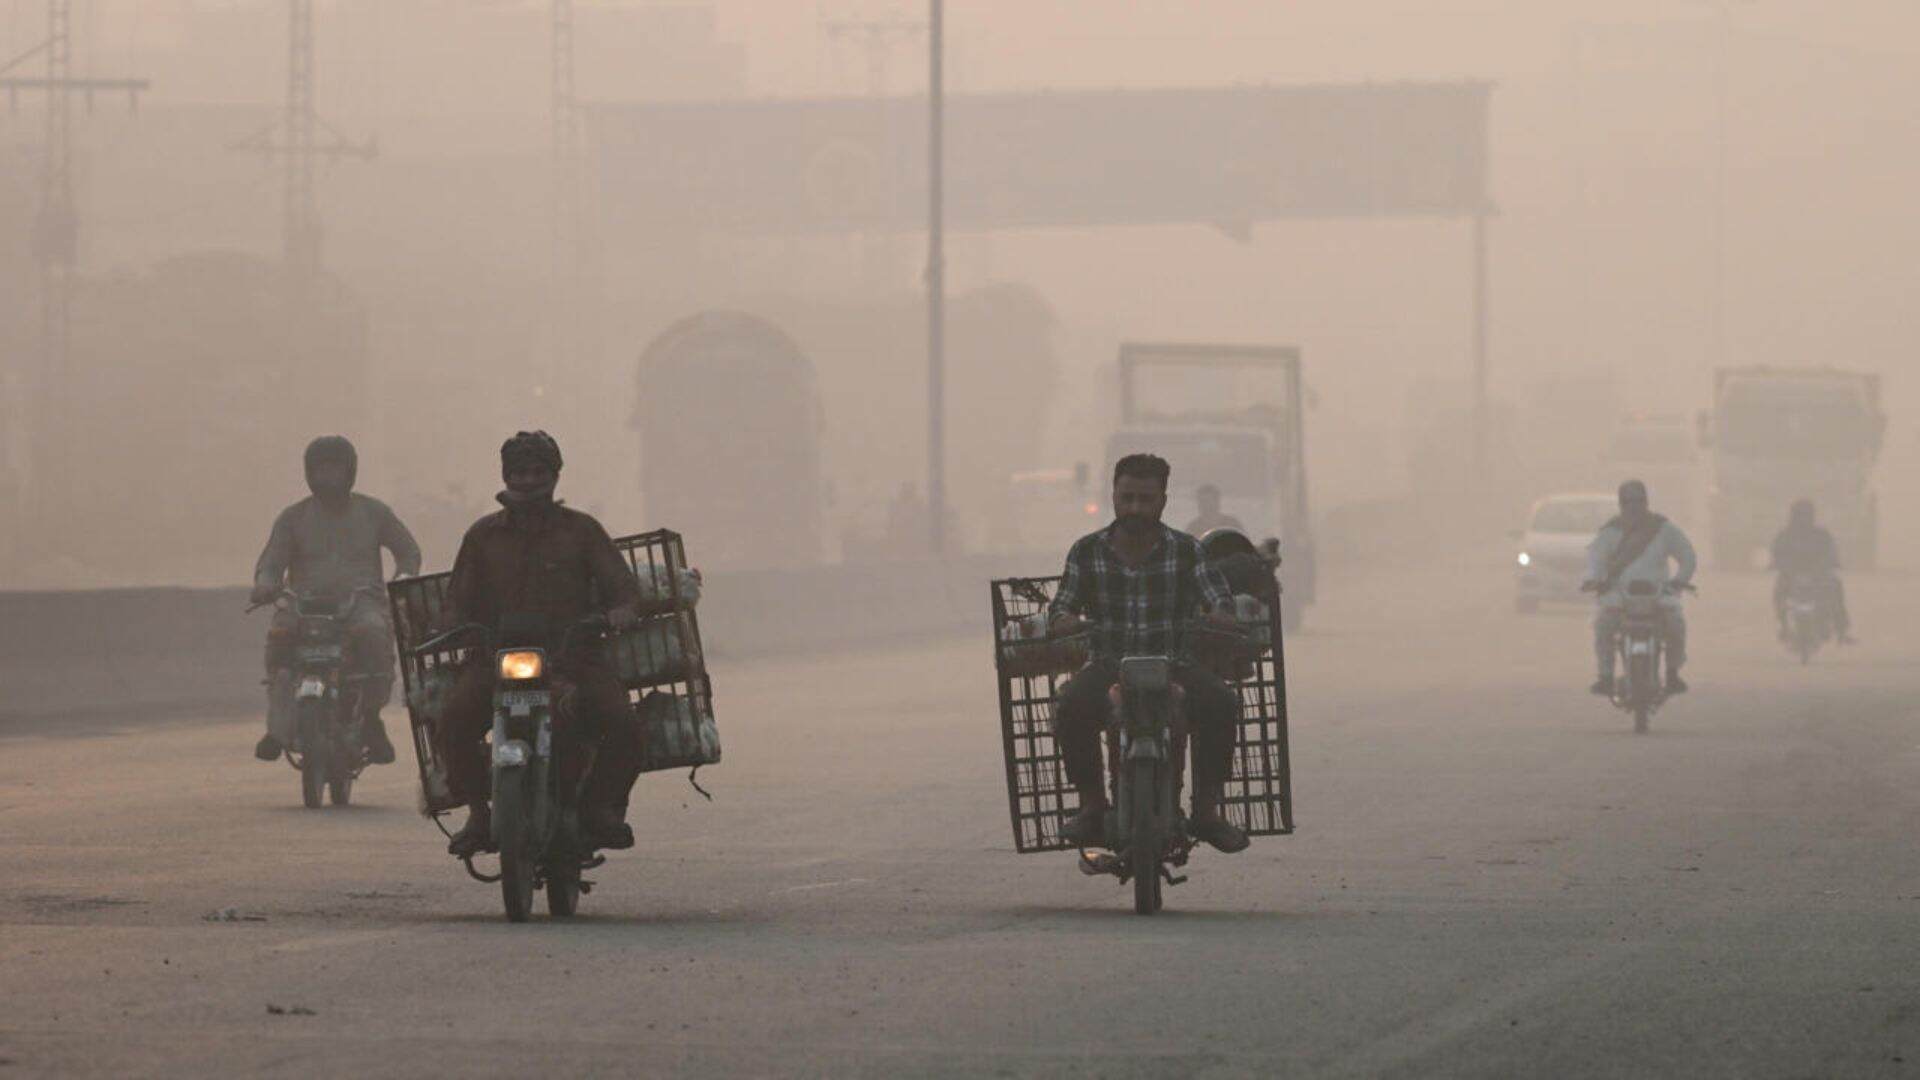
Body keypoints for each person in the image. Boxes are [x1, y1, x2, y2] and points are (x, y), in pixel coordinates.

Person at [438, 431, 645, 858]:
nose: (528, 481)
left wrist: (621, 609)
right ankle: (478, 812)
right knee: (453, 719)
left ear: (554, 476)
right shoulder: (482, 536)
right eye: (519, 472)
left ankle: (600, 808)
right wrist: (455, 624)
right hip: (496, 658)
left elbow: (621, 588)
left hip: (574, 657)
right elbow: (457, 598)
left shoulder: (583, 531)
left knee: (624, 724)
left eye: (537, 472)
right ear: (506, 476)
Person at [1046, 453, 1250, 854]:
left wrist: (1222, 616)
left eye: (1145, 499)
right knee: (1070, 704)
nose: (1135, 508)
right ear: (1114, 497)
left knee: (1222, 703)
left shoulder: (1187, 550)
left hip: (1175, 664)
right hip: (1108, 665)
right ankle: (1091, 805)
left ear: (1163, 501)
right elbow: (1062, 606)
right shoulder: (1086, 551)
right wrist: (1064, 620)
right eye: (1128, 498)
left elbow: (1217, 599)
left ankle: (1206, 811)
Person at [251, 435, 421, 765]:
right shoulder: (293, 518)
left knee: (373, 634)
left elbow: (408, 551)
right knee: (280, 638)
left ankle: (371, 719)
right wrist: (265, 584)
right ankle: (277, 729)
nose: (327, 477)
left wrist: (405, 577)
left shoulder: (374, 513)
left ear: (350, 472)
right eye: (320, 470)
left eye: (335, 469)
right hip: (303, 605)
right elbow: (271, 563)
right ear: (309, 473)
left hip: (360, 603)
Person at [1585, 479, 1696, 696]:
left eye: (1638, 501)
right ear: (1621, 504)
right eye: (1628, 501)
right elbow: (1595, 559)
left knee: (1676, 622)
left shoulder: (1663, 528)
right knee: (1603, 624)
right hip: (1619, 594)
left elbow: (1687, 557)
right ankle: (1605, 676)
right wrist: (1595, 579)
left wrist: (1679, 581)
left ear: (1646, 502)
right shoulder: (1610, 532)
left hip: (1659, 593)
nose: (1633, 506)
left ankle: (1672, 674)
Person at [1769, 498, 1854, 644]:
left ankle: (1841, 630)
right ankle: (1784, 625)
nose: (1803, 519)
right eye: (1800, 515)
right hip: (1792, 576)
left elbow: (1831, 552)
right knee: (1779, 594)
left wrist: (1833, 563)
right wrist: (1775, 564)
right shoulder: (1785, 535)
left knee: (1835, 588)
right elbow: (1777, 554)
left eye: (1806, 515)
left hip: (1818, 575)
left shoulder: (1821, 535)